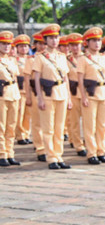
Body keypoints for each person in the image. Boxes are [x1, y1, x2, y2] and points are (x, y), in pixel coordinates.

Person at [32, 24, 73, 169]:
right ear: (45, 40)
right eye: (51, 38)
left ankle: (59, 156)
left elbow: (66, 78)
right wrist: (40, 98)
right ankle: (51, 158)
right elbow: (37, 78)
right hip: (48, 95)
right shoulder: (40, 57)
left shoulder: (62, 57)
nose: (54, 41)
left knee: (59, 128)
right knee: (48, 128)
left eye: (56, 37)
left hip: (61, 93)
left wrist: (69, 97)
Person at [76, 27, 105, 165]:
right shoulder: (83, 59)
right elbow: (80, 79)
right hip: (90, 94)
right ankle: (91, 153)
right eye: (93, 41)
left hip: (103, 93)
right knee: (90, 126)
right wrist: (83, 97)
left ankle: (101, 151)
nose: (97, 43)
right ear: (87, 43)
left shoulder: (104, 58)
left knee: (102, 125)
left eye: (98, 40)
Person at [0, 31, 22, 166]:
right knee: (1, 126)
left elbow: (15, 78)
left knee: (11, 126)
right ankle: (2, 154)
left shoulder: (12, 60)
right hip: (1, 94)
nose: (6, 46)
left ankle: (10, 152)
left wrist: (18, 94)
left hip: (13, 93)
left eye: (8, 44)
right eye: (3, 44)